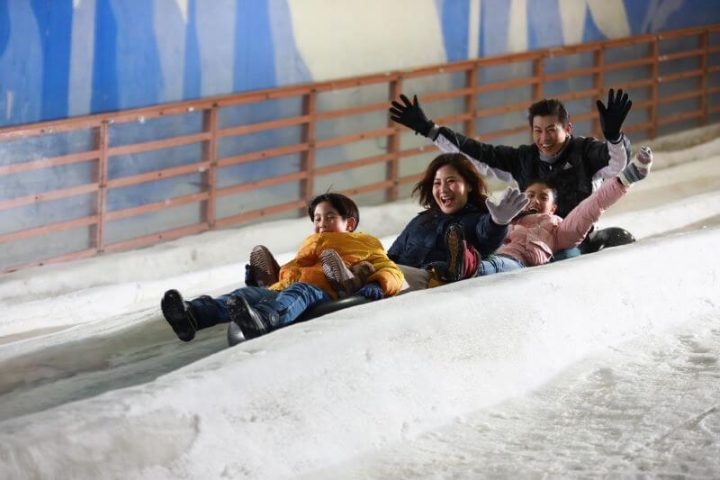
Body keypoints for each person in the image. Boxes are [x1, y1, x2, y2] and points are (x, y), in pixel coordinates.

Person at [389, 89, 633, 256]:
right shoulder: (524, 159)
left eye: (551, 130)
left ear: (568, 128)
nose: (544, 139)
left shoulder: (584, 152)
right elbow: (478, 154)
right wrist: (430, 130)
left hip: (574, 239)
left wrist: (614, 137)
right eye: (537, 131)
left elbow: (617, 165)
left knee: (575, 253)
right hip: (533, 239)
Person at [160, 193, 404, 342]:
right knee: (246, 295)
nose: (321, 223)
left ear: (349, 223)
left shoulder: (365, 243)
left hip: (327, 292)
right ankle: (193, 315)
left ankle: (267, 319)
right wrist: (269, 280)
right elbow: (295, 271)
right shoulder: (308, 245)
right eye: (317, 218)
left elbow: (391, 269)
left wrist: (377, 284)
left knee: (303, 290)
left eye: (329, 217)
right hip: (288, 287)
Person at [437, 146, 653, 282]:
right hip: (485, 252)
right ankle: (441, 268)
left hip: (516, 263)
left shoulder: (556, 227)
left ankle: (466, 266)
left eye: (543, 197)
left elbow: (590, 208)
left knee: (500, 263)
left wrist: (624, 179)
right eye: (530, 195)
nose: (535, 200)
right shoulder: (503, 221)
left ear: (553, 208)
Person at [386, 153, 527, 290]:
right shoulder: (421, 221)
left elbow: (487, 236)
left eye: (451, 181)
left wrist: (497, 222)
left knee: (387, 274)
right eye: (437, 183)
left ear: (469, 185)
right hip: (398, 279)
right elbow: (392, 255)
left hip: (433, 281)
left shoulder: (477, 219)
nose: (443, 189)